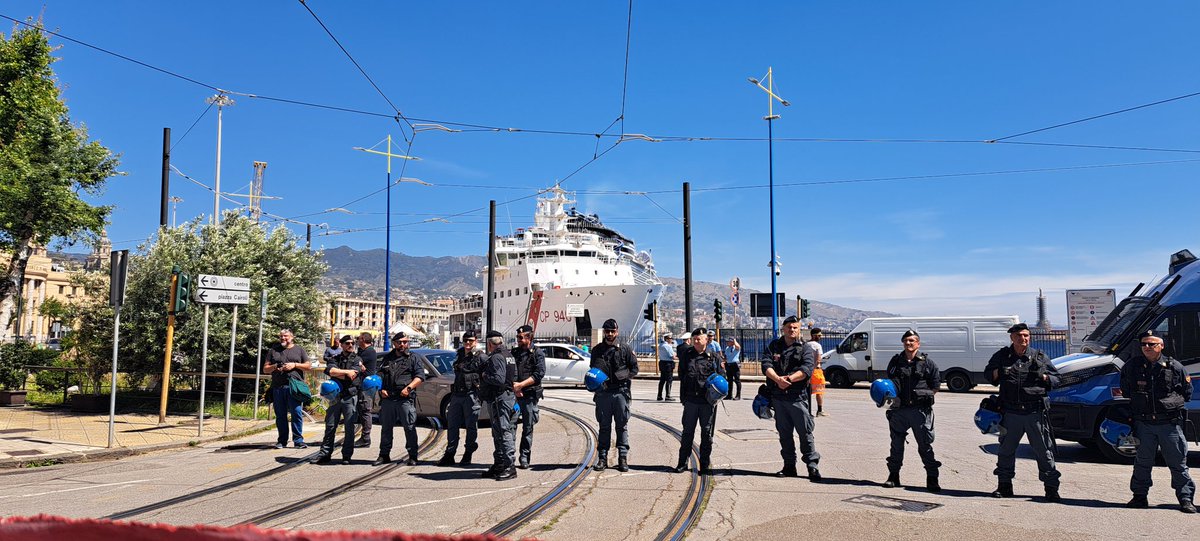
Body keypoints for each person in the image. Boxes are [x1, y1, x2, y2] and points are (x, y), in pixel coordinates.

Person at [985, 322, 1061, 502]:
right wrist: (999, 372)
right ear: (1012, 337)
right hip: (1010, 413)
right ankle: (1004, 485)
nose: (1023, 339)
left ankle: (1051, 488)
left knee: (1044, 452)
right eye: (1019, 336)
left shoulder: (1039, 356)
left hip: (1034, 412)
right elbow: (989, 375)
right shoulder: (1002, 355)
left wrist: (1043, 376)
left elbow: (1057, 379)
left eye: (1026, 335)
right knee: (1005, 450)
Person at [1120, 330, 1195, 513]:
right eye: (1144, 344)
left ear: (1161, 346)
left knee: (1178, 463)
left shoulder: (1174, 367)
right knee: (1142, 462)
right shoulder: (1133, 366)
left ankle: (1185, 499)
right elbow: (1126, 390)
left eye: (1151, 344)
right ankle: (1139, 496)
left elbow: (1187, 392)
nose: (1147, 347)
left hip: (1168, 424)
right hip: (1144, 424)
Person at [762, 315, 821, 481]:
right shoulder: (774, 346)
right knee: (784, 434)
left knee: (805, 433)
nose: (792, 330)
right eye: (789, 327)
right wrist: (777, 380)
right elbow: (766, 365)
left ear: (799, 329)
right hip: (779, 398)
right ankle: (789, 466)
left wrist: (788, 380)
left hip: (798, 398)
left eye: (795, 327)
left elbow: (807, 369)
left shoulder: (805, 348)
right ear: (783, 328)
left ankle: (812, 466)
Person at [882, 330, 942, 492]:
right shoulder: (895, 362)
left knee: (925, 445)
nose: (908, 343)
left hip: (919, 411)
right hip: (899, 410)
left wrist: (924, 397)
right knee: (896, 445)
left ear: (918, 344)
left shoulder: (928, 363)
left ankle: (932, 478)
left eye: (912, 341)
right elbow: (889, 383)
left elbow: (935, 386)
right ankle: (893, 476)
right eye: (906, 341)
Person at [674, 327, 725, 475]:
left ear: (706, 340)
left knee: (706, 434)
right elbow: (682, 376)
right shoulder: (686, 356)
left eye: (699, 338)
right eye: (694, 338)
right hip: (690, 400)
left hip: (707, 402)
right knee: (687, 433)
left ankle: (704, 464)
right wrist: (683, 398)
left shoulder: (714, 357)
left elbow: (722, 378)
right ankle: (682, 463)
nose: (696, 341)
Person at [590, 318, 639, 472]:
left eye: (612, 331)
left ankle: (622, 458)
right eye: (607, 331)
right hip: (603, 393)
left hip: (620, 393)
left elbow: (635, 369)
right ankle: (602, 458)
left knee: (622, 426)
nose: (610, 334)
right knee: (604, 427)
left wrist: (624, 376)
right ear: (604, 332)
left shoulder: (624, 349)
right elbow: (593, 369)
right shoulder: (597, 350)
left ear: (617, 332)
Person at [373, 332, 427, 466]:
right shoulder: (387, 358)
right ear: (394, 343)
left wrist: (408, 388)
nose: (402, 344)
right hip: (388, 399)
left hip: (405, 399)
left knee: (409, 428)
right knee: (386, 428)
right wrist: (381, 389)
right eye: (399, 342)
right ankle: (384, 455)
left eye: (405, 342)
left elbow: (420, 376)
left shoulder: (413, 358)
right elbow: (378, 376)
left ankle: (413, 455)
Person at [311, 335, 364, 465]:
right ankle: (325, 454)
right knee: (330, 426)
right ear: (341, 344)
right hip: (335, 397)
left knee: (349, 427)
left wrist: (340, 373)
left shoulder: (357, 359)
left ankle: (346, 455)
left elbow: (353, 375)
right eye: (347, 343)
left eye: (352, 343)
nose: (350, 345)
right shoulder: (335, 358)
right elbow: (330, 371)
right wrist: (345, 372)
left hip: (350, 396)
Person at [438, 331, 483, 466]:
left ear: (475, 341)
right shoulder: (459, 355)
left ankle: (468, 453)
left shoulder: (480, 357)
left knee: (471, 426)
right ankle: (450, 453)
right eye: (465, 341)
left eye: (470, 340)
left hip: (471, 395)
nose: (468, 343)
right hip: (457, 395)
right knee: (452, 425)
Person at [263, 329, 312, 449]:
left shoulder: (299, 350)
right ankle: (282, 441)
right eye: (281, 336)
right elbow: (265, 369)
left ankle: (298, 440)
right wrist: (275, 366)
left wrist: (294, 365)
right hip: (278, 387)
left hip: (294, 387)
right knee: (280, 415)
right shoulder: (273, 350)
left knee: (296, 413)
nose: (283, 338)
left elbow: (308, 366)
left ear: (292, 337)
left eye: (285, 336)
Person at [480, 330, 518, 480]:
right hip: (507, 396)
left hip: (500, 398)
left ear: (489, 343)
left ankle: (509, 466)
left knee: (503, 431)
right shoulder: (509, 355)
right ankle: (500, 464)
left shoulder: (496, 357)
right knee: (499, 431)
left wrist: (484, 375)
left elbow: (499, 379)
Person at [512, 325, 546, 469]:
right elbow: (508, 371)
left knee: (528, 427)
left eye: (521, 338)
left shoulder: (537, 353)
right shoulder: (514, 353)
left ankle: (524, 457)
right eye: (518, 338)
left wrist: (521, 385)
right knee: (510, 426)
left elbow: (539, 374)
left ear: (529, 337)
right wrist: (515, 388)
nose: (519, 340)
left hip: (529, 396)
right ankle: (509, 456)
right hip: (514, 396)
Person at [354, 332, 378, 448]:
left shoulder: (369, 352)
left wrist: (359, 365)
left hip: (366, 386)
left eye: (359, 339)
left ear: (363, 339)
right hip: (362, 384)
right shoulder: (361, 351)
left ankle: (366, 438)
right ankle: (364, 436)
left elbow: (356, 363)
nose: (357, 340)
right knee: (361, 410)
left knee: (365, 411)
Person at [806, 328, 827, 416]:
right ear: (813, 335)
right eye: (819, 335)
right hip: (816, 371)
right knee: (819, 391)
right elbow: (819, 358)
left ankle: (807, 410)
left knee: (807, 391)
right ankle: (820, 410)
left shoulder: (806, 344)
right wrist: (818, 364)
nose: (820, 337)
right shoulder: (817, 346)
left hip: (807, 370)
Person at [657, 333, 677, 401]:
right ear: (667, 339)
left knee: (662, 380)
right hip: (668, 364)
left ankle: (659, 395)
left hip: (662, 363)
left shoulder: (661, 345)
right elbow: (672, 356)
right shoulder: (668, 346)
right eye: (670, 339)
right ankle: (668, 395)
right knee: (669, 380)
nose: (671, 340)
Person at [723, 336, 742, 400]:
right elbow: (725, 357)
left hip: (735, 364)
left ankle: (738, 395)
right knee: (729, 381)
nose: (727, 342)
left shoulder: (735, 347)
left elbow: (738, 346)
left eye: (728, 341)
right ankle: (729, 395)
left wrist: (734, 341)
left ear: (732, 342)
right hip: (728, 365)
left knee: (737, 380)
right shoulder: (727, 348)